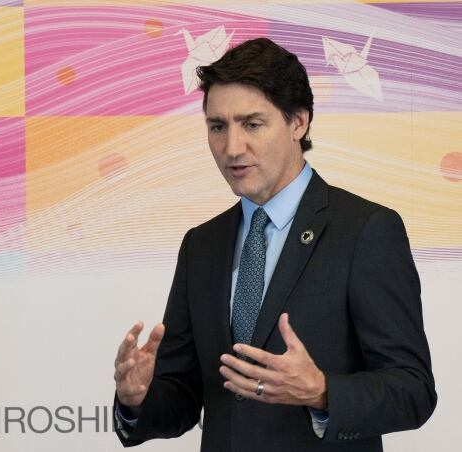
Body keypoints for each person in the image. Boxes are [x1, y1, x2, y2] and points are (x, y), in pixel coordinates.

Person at [112, 38, 436, 451]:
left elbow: (413, 390)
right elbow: (184, 394)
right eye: (217, 126)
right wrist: (137, 399)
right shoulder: (201, 245)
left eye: (252, 124)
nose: (232, 148)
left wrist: (321, 391)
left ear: (298, 122)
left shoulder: (366, 230)